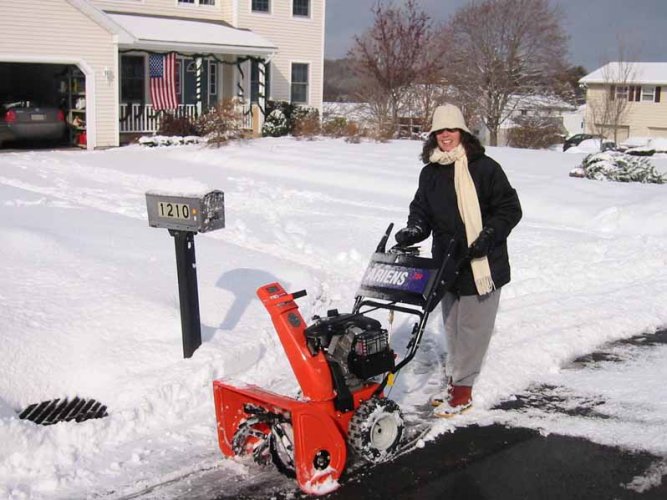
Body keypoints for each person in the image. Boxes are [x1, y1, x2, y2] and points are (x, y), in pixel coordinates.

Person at [394, 104, 522, 417]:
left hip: (482, 263)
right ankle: (456, 383)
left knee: (473, 329)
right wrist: (415, 229)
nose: (445, 136)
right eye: (439, 131)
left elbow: (509, 209)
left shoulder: (485, 168)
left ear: (462, 132)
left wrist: (488, 236)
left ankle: (463, 392)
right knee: (452, 327)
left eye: (451, 130)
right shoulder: (431, 172)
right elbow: (421, 210)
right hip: (448, 262)